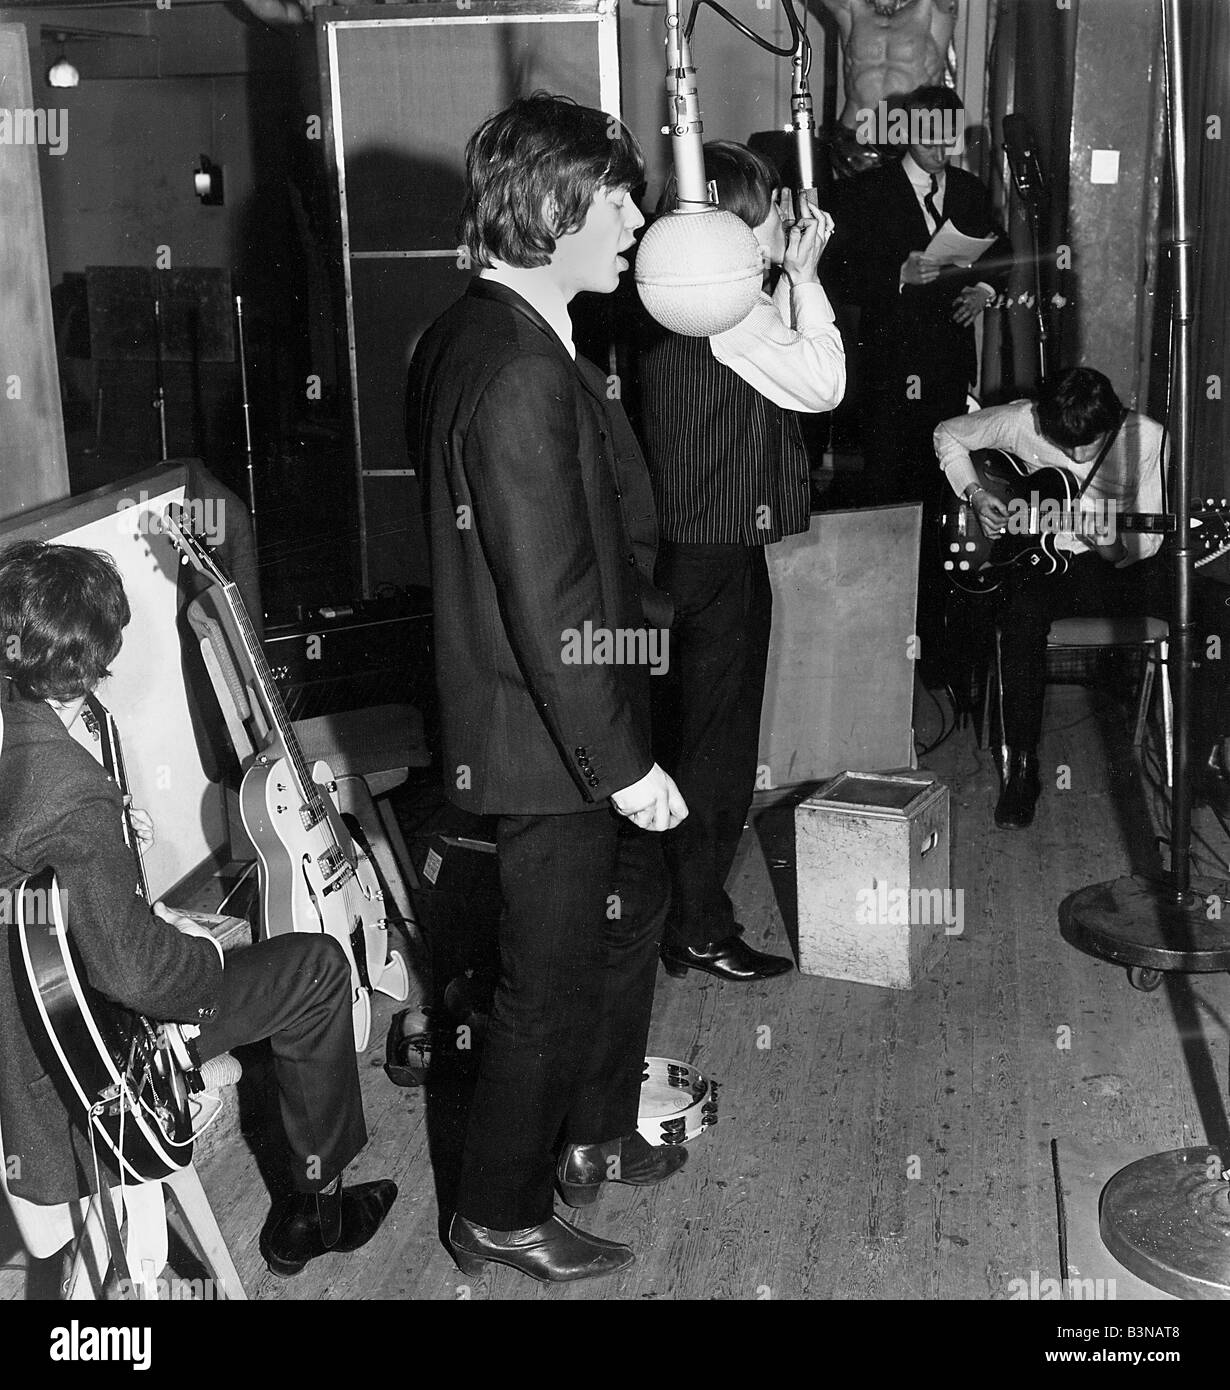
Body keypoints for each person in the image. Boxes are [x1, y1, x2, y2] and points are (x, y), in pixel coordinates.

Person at [405, 93, 689, 1285]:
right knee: (543, 984)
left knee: (618, 933)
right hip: (550, 736)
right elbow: (556, 602)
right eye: (614, 196)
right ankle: (500, 1211)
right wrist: (625, 766)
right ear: (555, 206)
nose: (636, 216)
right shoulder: (518, 370)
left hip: (550, 716)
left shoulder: (487, 330)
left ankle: (587, 1134)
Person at [0, 541, 397, 1277]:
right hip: (77, 1050)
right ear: (89, 660)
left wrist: (108, 855)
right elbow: (141, 977)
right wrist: (199, 949)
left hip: (24, 1001)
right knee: (315, 967)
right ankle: (316, 1211)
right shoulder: (72, 791)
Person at [637, 141, 845, 984]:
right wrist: (804, 277)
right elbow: (824, 381)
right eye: (762, 220)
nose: (775, 234)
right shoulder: (725, 303)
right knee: (716, 753)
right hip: (719, 554)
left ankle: (676, 916)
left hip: (684, 548)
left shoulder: (672, 291)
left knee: (683, 737)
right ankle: (697, 927)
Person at [934, 367, 1168, 828]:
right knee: (1021, 621)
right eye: (1065, 446)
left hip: (1100, 567)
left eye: (1090, 444)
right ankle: (1022, 769)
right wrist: (977, 494)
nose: (1079, 454)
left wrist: (1110, 545)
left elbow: (1151, 539)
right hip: (1033, 558)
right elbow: (947, 434)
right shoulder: (1022, 420)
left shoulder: (1146, 437)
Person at [817, 0, 959, 177]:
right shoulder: (853, 8)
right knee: (846, 203)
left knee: (909, 204)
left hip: (911, 143)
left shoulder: (931, 9)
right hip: (855, 138)